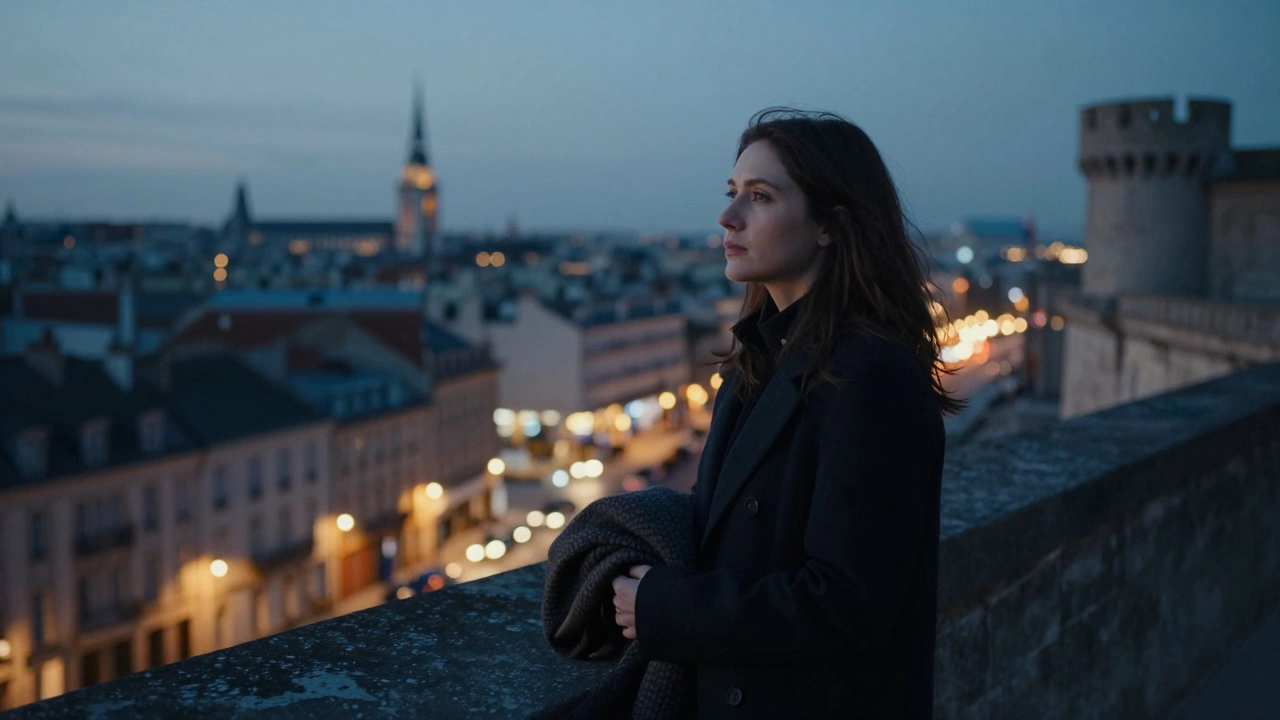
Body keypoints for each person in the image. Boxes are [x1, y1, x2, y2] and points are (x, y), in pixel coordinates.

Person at [609, 108, 962, 719]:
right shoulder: (753, 365)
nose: (728, 217)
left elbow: (849, 605)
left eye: (761, 197)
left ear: (831, 224)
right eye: (732, 194)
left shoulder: (872, 375)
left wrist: (665, 607)